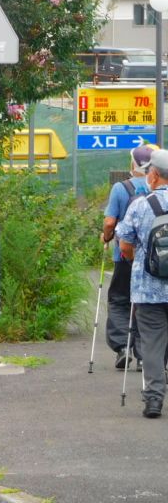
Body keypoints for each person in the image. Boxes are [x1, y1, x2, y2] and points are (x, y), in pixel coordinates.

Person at [116, 148, 168, 418]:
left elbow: (124, 245)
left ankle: (154, 400)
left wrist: (138, 260)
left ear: (155, 175)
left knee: (151, 344)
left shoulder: (140, 204)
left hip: (148, 291)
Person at [102, 144, 157, 368]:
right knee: (147, 304)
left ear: (133, 163)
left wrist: (106, 237)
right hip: (153, 259)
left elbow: (109, 222)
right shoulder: (158, 187)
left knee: (119, 300)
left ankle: (123, 347)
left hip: (124, 255)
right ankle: (145, 355)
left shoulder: (121, 188)